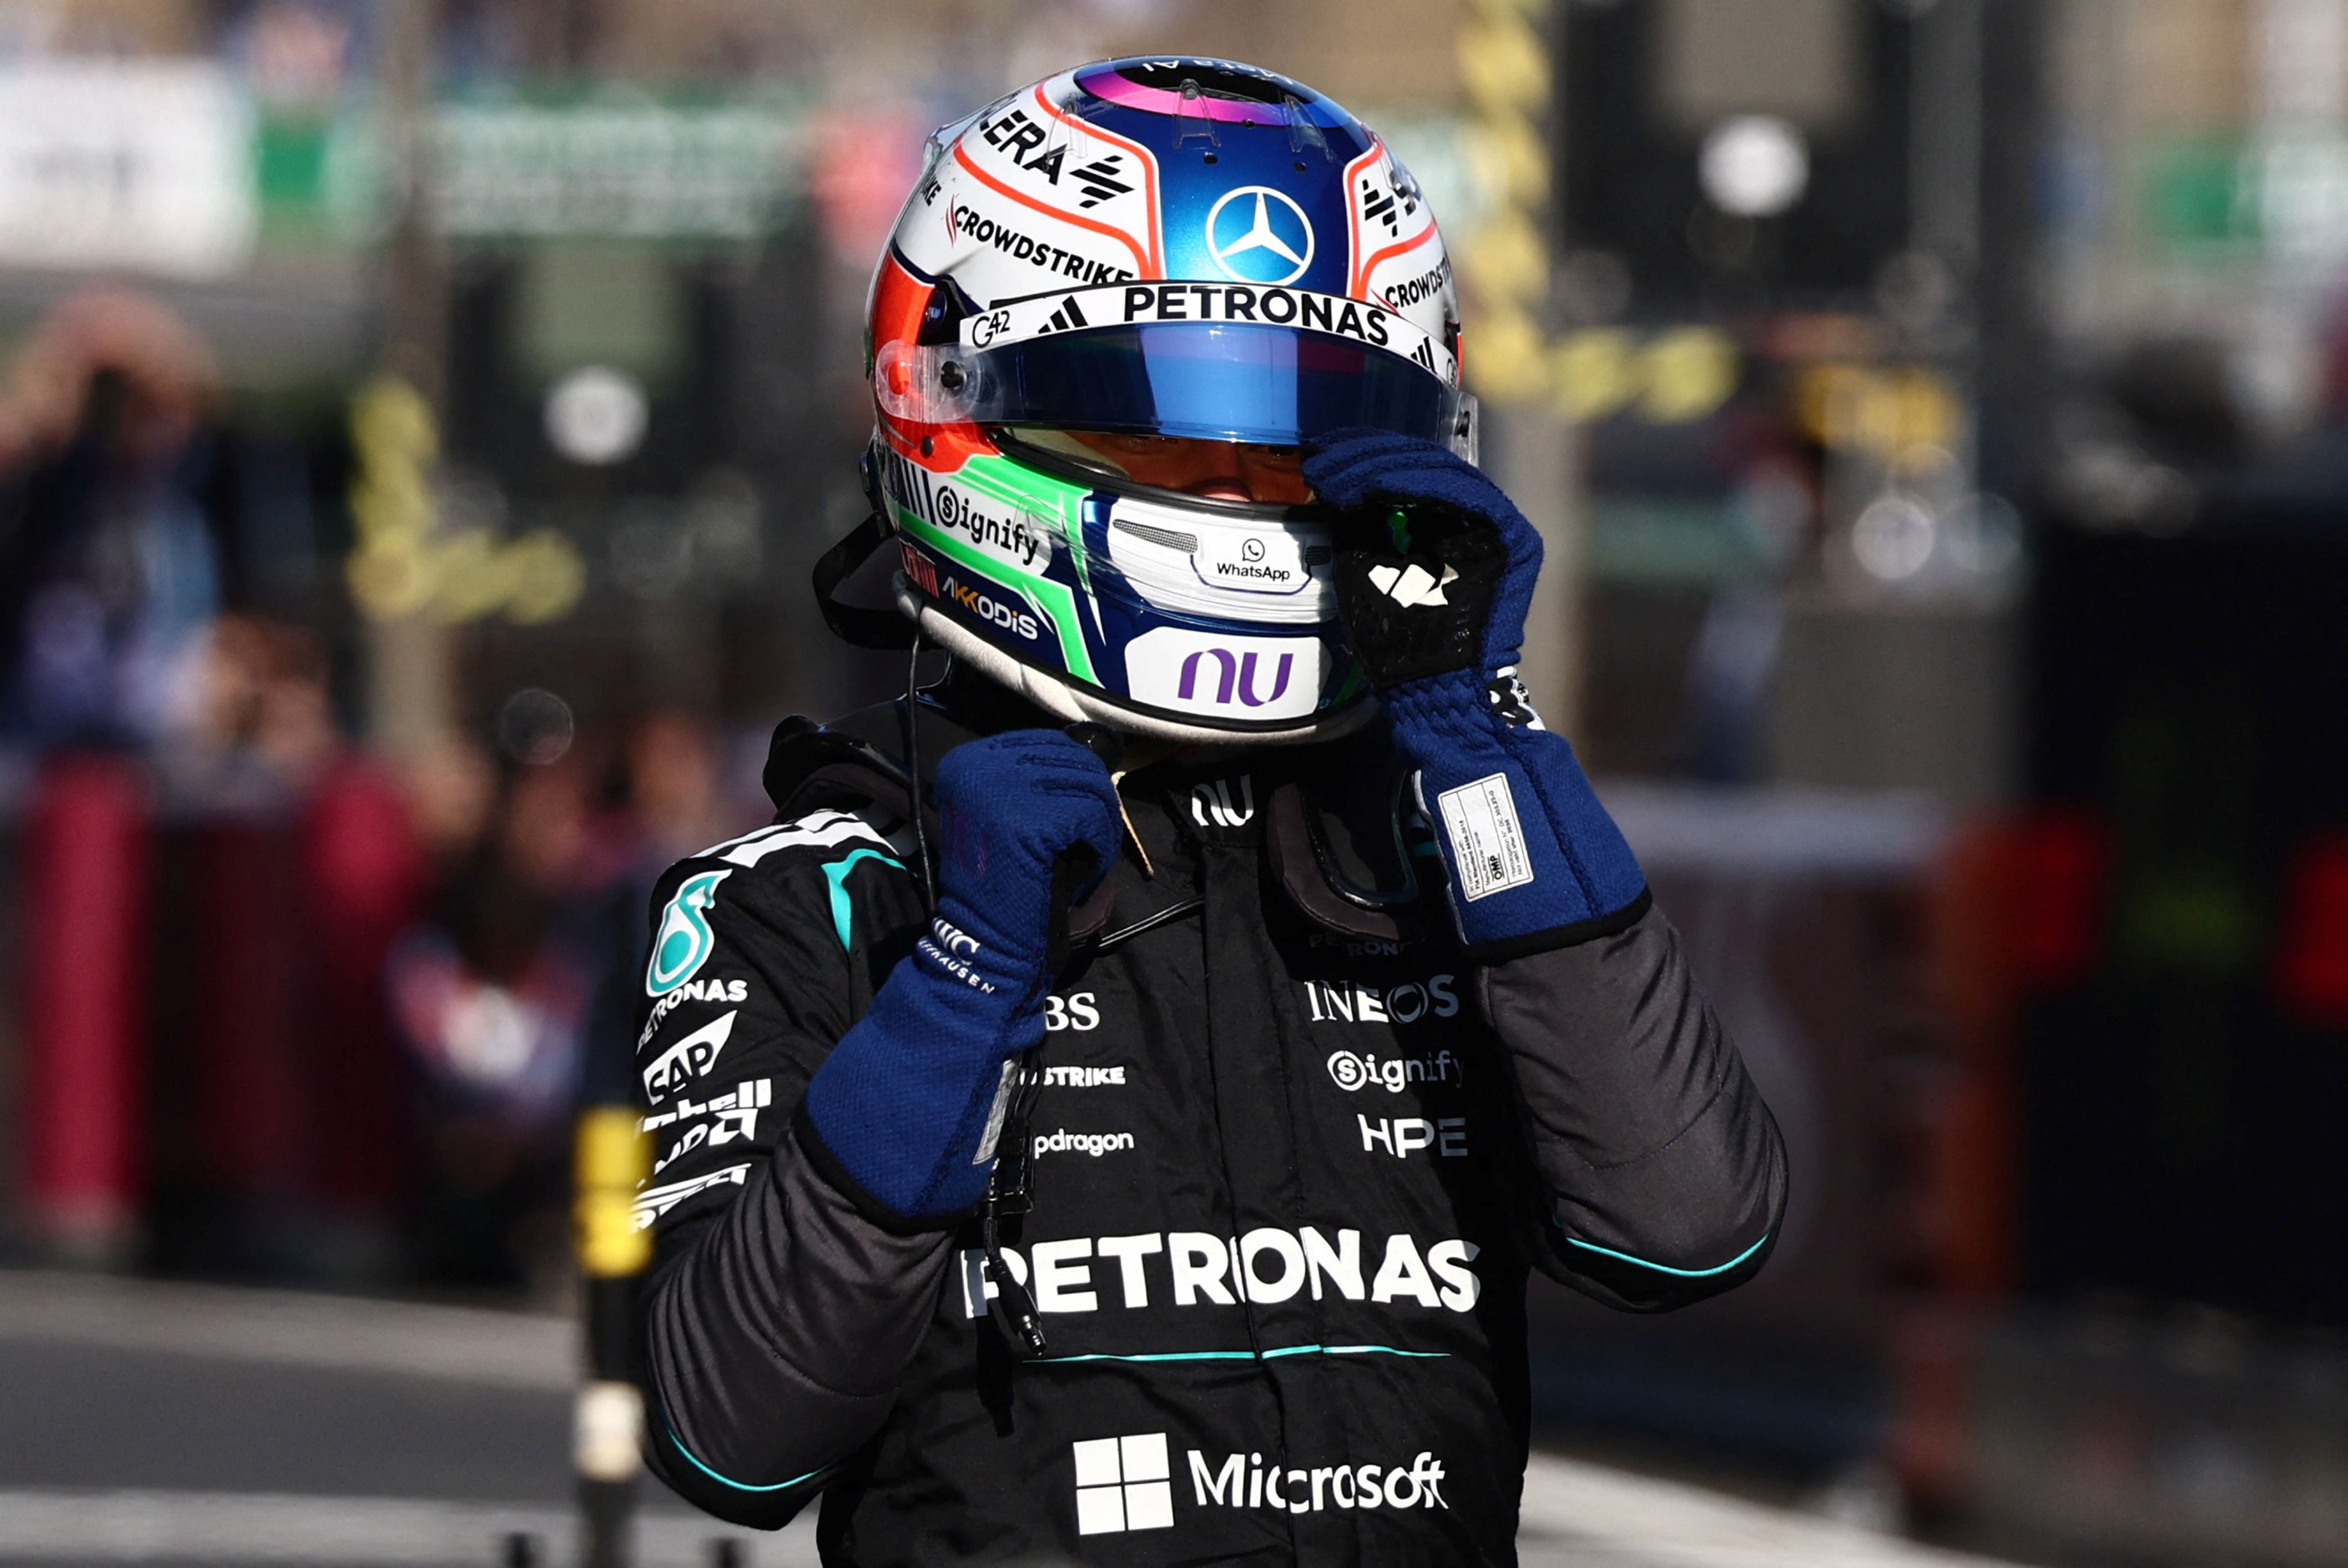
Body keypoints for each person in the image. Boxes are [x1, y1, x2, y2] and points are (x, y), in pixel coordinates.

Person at [631, 58, 1787, 1566]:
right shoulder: (810, 897)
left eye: (1301, 456)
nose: (1242, 506)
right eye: (1172, 445)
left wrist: (1482, 744)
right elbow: (730, 1433)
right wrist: (966, 981)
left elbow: (1688, 1227)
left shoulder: (1439, 860)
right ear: (956, 411)